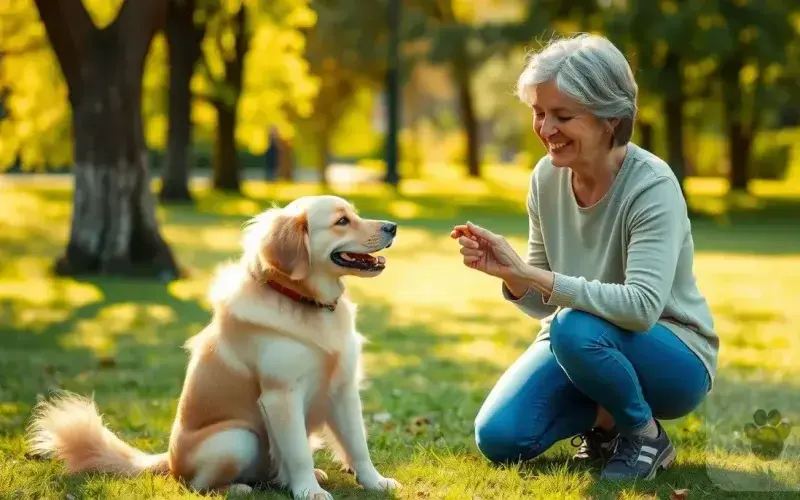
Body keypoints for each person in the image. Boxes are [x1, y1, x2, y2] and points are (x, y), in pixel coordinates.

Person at [450, 33, 718, 481]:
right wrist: (513, 276)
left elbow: (641, 307)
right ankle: (608, 418)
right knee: (500, 438)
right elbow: (542, 302)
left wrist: (534, 275)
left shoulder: (651, 184)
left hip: (672, 352)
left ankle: (644, 433)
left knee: (572, 325)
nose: (545, 129)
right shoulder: (545, 178)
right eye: (538, 112)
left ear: (610, 118)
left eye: (562, 115)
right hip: (578, 340)